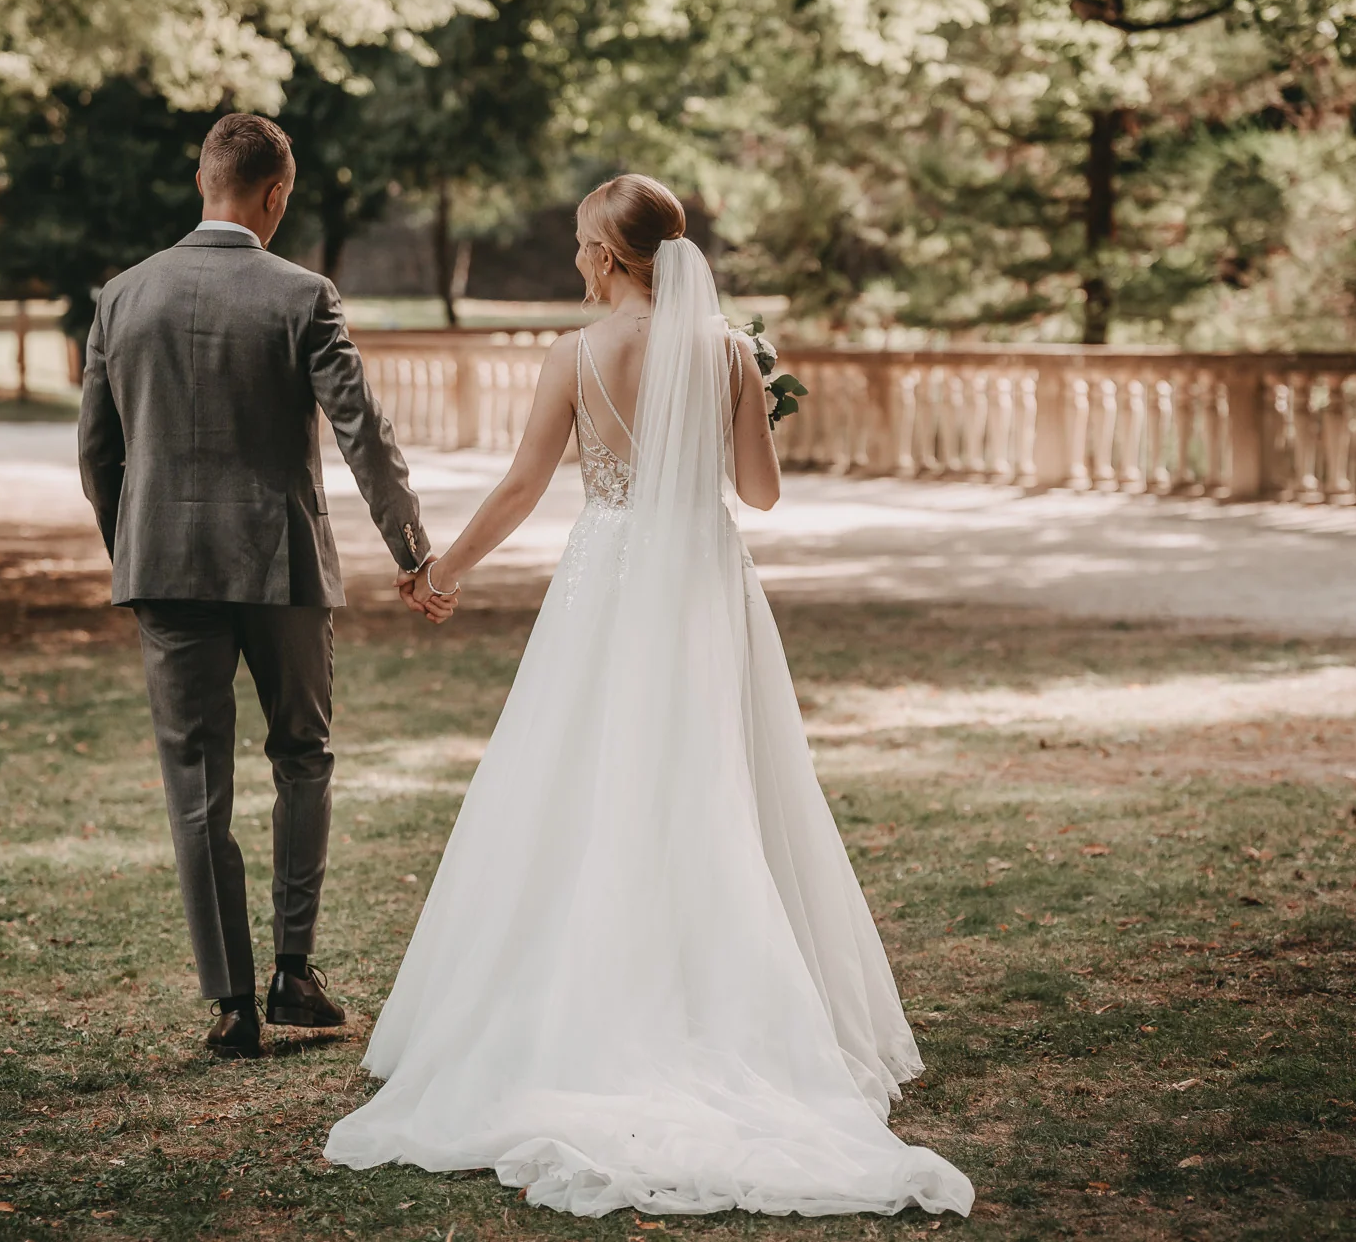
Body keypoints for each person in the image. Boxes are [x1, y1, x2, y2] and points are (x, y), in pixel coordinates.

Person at [326, 175, 975, 1218]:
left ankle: (579, 1001)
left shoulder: (576, 355)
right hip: (702, 586)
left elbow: (522, 487)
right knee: (712, 778)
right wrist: (753, 395)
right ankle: (729, 1002)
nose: (576, 258)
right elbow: (757, 495)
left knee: (586, 775)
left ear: (610, 256)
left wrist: (442, 571)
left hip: (611, 582)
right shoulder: (726, 352)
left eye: (583, 242)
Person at [77, 114, 439, 1060]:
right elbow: (363, 430)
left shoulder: (121, 297)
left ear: (205, 183)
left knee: (195, 784)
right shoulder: (301, 294)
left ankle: (232, 1003)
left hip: (163, 568)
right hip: (281, 569)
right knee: (303, 757)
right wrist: (410, 545)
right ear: (275, 194)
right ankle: (295, 974)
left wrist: (140, 548)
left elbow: (97, 454)